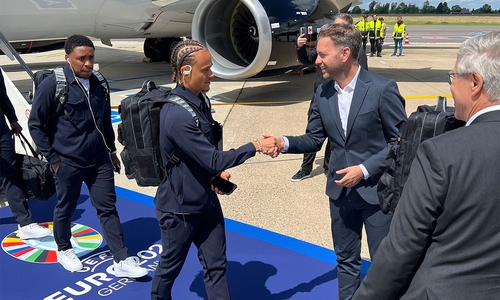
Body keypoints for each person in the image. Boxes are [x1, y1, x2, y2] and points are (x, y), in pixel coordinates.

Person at [352, 31, 500, 300]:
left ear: (476, 83)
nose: (452, 87)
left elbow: (402, 248)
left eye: (453, 78)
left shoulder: (442, 153)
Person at [266, 23, 407, 300]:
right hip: (340, 194)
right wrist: (284, 142)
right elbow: (313, 140)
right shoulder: (323, 92)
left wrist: (364, 169)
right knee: (345, 261)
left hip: (377, 195)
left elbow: (400, 142)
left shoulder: (382, 89)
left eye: (322, 54)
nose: (316, 60)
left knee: (384, 266)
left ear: (344, 54)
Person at [150, 39, 276, 300]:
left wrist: (214, 176)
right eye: (205, 70)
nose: (212, 74)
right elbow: (215, 159)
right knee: (169, 269)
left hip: (206, 203)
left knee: (216, 267)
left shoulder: (201, 102)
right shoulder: (176, 115)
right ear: (186, 72)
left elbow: (201, 156)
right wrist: (255, 146)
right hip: (179, 210)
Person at [28, 35, 148, 277]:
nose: (88, 63)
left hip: (99, 160)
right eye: (81, 58)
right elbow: (36, 125)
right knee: (66, 208)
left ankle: (121, 259)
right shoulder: (53, 85)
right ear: (67, 58)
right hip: (67, 162)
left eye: (91, 57)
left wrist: (112, 151)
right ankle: (64, 248)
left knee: (108, 207)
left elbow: (104, 121)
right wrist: (54, 160)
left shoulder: (99, 83)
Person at [292, 13, 368, 182]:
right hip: (322, 96)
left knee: (335, 136)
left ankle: (328, 167)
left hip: (341, 97)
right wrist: (299, 47)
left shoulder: (357, 52)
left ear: (348, 29)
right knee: (313, 133)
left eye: (338, 27)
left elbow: (363, 76)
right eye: (333, 26)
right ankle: (305, 168)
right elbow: (307, 60)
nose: (334, 30)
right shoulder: (325, 45)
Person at [0, 68, 52, 240]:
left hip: (1, 132)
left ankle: (25, 223)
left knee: (10, 174)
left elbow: (2, 94)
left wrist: (12, 119)